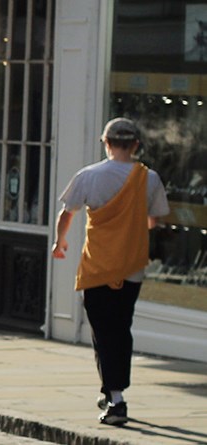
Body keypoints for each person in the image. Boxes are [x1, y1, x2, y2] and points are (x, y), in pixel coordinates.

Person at [51, 118, 170, 427]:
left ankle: (116, 398)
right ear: (135, 146)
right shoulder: (150, 178)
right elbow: (153, 221)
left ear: (106, 143)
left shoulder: (89, 176)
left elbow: (67, 213)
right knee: (121, 327)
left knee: (103, 331)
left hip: (98, 266)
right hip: (131, 266)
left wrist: (59, 242)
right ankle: (112, 392)